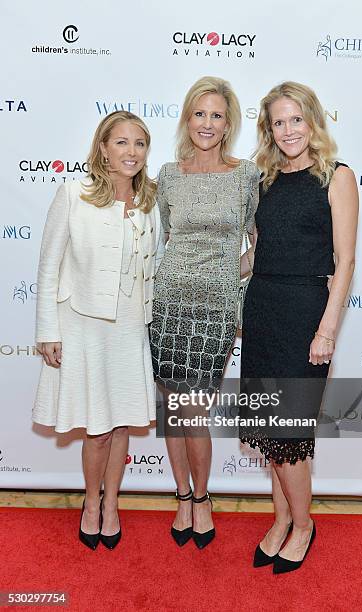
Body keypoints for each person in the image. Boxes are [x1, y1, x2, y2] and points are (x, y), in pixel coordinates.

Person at [240, 81, 358, 573]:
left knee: (289, 432)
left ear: (313, 120)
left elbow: (346, 261)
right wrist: (206, 270)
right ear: (269, 129)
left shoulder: (337, 176)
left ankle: (304, 526)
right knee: (270, 429)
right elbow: (257, 253)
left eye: (296, 119)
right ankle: (282, 517)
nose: (288, 130)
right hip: (263, 308)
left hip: (307, 312)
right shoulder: (264, 179)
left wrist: (327, 330)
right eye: (278, 122)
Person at [33, 111, 164, 550]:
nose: (131, 152)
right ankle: (92, 502)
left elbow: (157, 265)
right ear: (103, 148)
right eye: (122, 143)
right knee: (97, 427)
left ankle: (113, 503)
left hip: (130, 326)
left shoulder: (151, 202)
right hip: (83, 324)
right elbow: (49, 264)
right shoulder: (74, 193)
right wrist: (47, 329)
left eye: (140, 144)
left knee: (123, 422)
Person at [150, 76, 259, 549]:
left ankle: (204, 498)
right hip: (169, 302)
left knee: (195, 411)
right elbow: (162, 238)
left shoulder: (246, 174)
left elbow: (259, 241)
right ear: (187, 119)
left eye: (217, 115)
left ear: (229, 123)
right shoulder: (169, 175)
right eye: (200, 113)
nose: (207, 124)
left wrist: (232, 280)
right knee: (172, 408)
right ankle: (181, 495)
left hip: (215, 308)